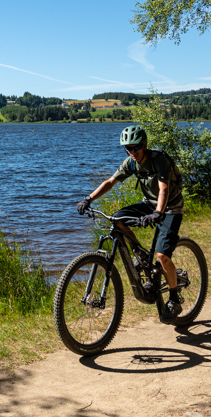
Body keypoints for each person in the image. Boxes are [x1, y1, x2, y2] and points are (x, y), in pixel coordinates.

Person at [77, 125, 187, 318]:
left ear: (144, 145)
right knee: (117, 219)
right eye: (128, 148)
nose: (133, 151)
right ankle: (140, 254)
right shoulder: (131, 163)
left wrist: (158, 212)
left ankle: (174, 299)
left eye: (136, 147)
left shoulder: (159, 159)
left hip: (171, 207)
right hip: (150, 204)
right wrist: (89, 199)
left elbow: (164, 189)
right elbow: (110, 182)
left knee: (162, 256)